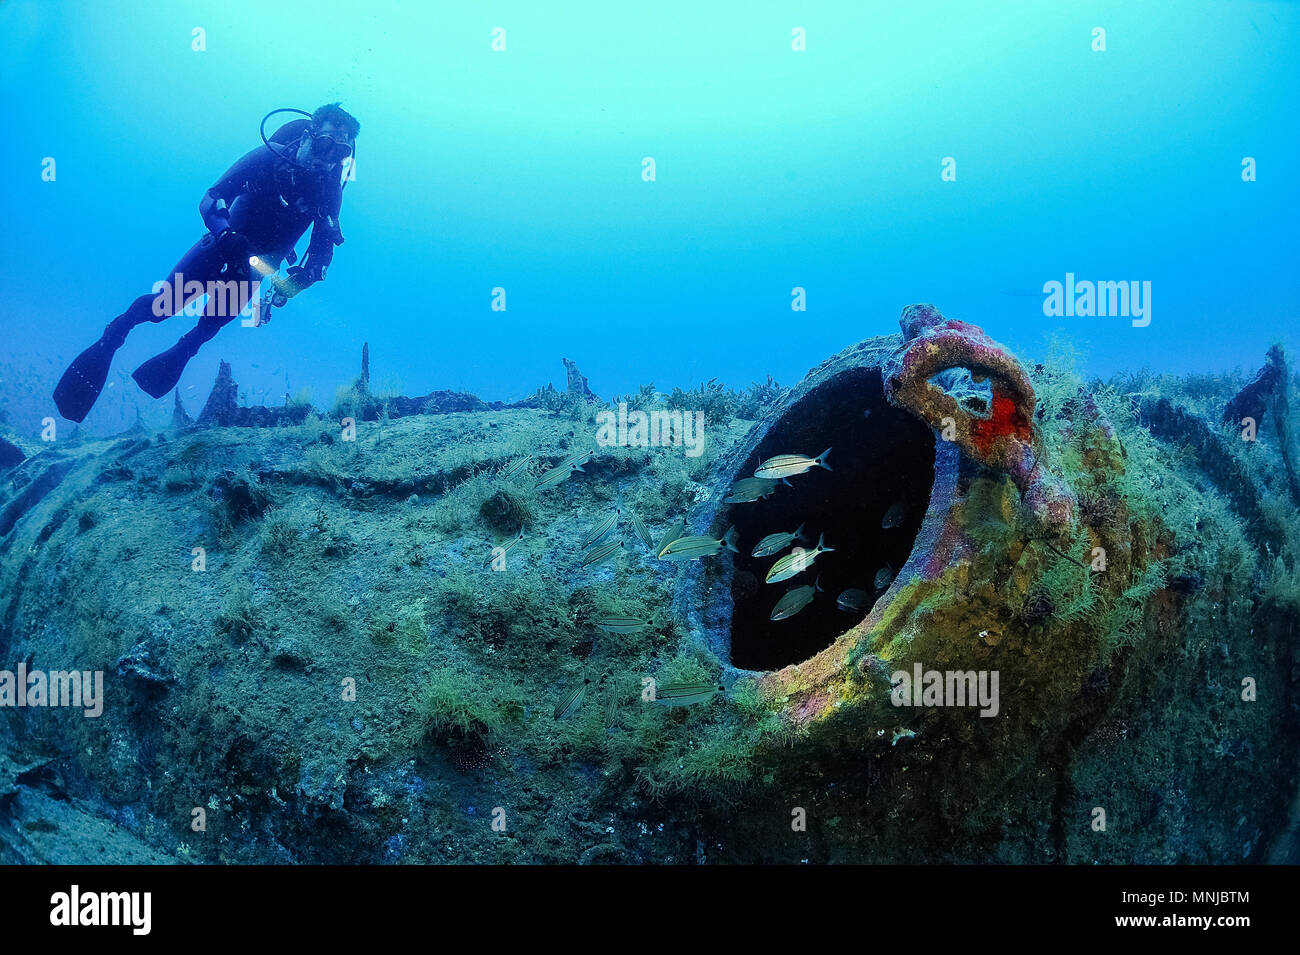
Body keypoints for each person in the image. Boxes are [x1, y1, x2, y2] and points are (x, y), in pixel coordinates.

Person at [53, 103, 360, 422]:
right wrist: (226, 234)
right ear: (309, 136)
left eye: (339, 152)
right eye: (325, 145)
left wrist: (300, 280)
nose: (327, 159)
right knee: (161, 309)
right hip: (220, 247)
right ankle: (113, 337)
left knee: (206, 329)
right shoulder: (269, 158)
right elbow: (212, 198)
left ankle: (182, 352)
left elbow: (323, 250)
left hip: (254, 270)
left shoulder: (329, 193)